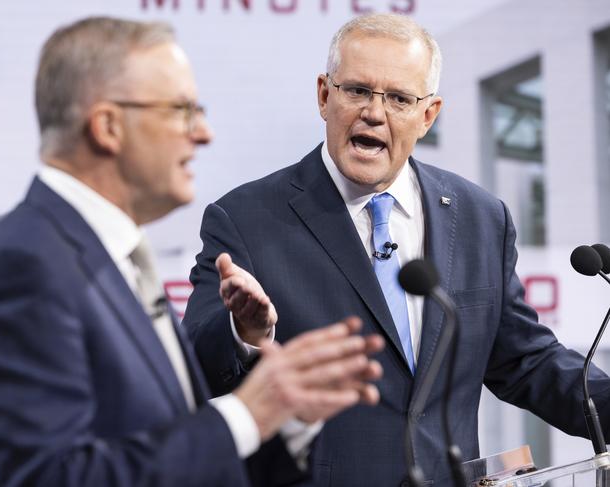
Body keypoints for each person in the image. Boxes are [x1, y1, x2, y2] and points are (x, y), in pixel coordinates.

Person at [183, 12, 610, 486]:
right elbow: (193, 368)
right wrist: (243, 332)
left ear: (428, 115)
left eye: (399, 99)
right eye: (358, 91)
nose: (374, 112)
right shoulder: (246, 218)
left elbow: (525, 360)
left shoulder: (479, 217)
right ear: (325, 95)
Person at [0, 16, 385, 487]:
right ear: (108, 126)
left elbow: (180, 453)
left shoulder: (114, 259)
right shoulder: (22, 264)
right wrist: (245, 414)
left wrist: (286, 417)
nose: (203, 133)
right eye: (182, 110)